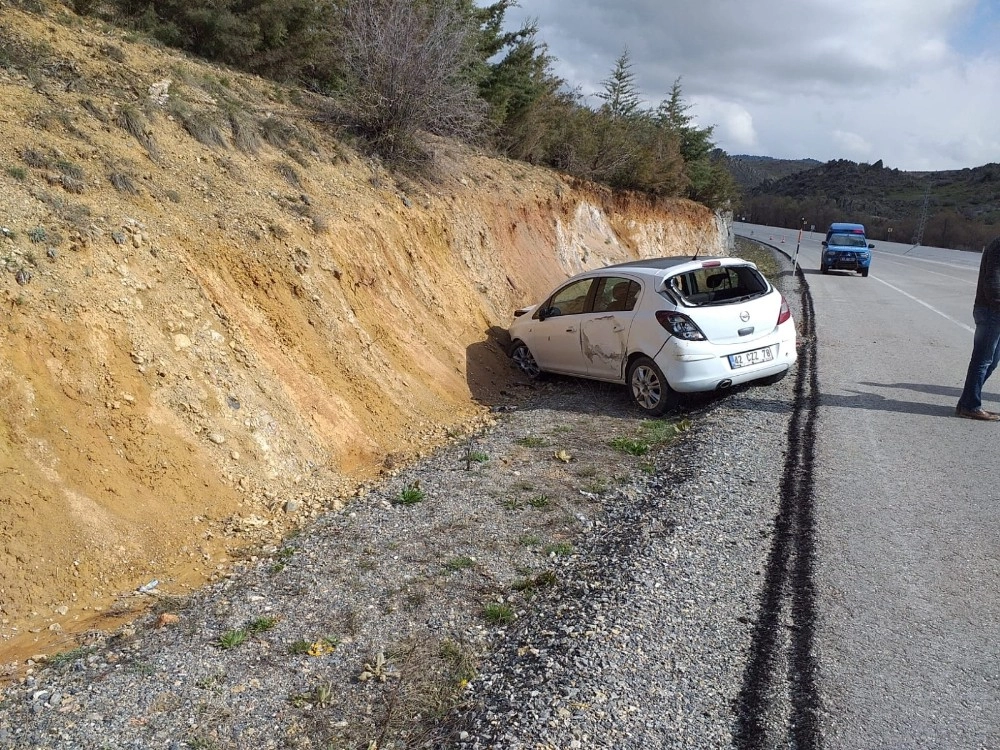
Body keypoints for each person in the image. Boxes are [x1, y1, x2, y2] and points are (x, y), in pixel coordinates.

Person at [956, 235, 1000, 420]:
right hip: (991, 311)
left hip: (992, 310)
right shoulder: (998, 245)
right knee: (983, 361)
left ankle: (967, 402)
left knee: (991, 361)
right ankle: (970, 405)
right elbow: (993, 280)